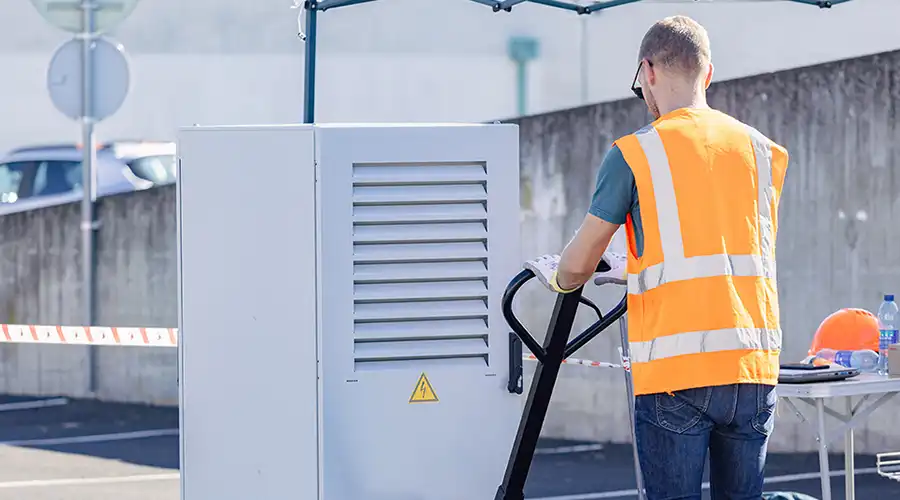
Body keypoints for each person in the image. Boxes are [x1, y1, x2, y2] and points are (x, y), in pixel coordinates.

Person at [524, 15, 789, 500]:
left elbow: (579, 263)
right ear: (707, 74)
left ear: (647, 71)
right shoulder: (761, 151)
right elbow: (728, 240)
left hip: (677, 372)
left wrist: (558, 277)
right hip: (752, 367)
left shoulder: (634, 153)